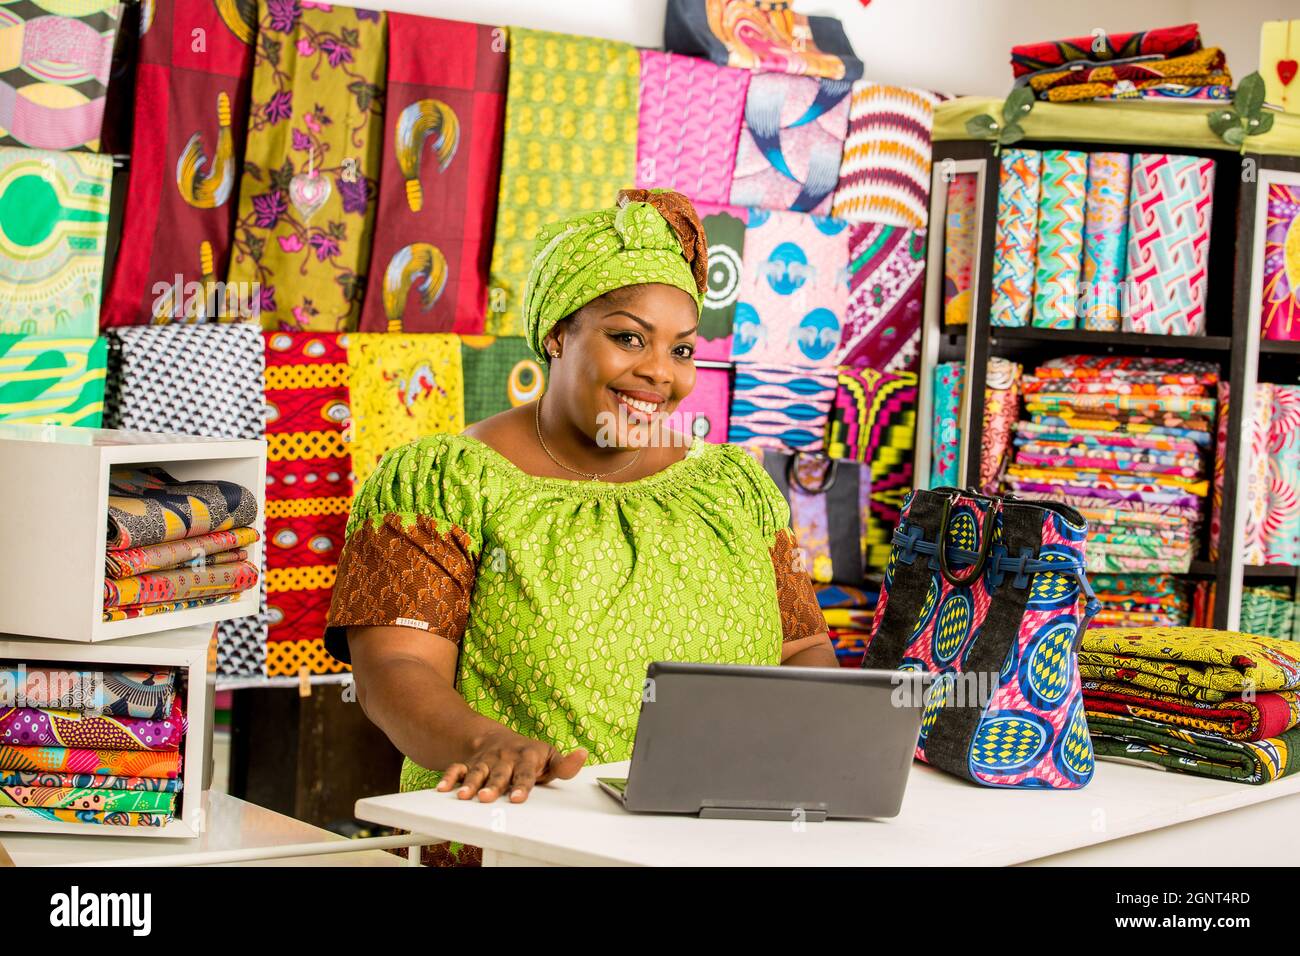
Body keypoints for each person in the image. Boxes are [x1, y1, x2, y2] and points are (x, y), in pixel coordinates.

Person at [323, 188, 834, 864]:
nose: (659, 373)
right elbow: (394, 666)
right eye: (629, 338)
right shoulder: (445, 484)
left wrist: (827, 751)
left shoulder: (732, 489)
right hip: (518, 840)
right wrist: (483, 744)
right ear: (558, 333)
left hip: (719, 846)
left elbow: (800, 651)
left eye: (682, 350)